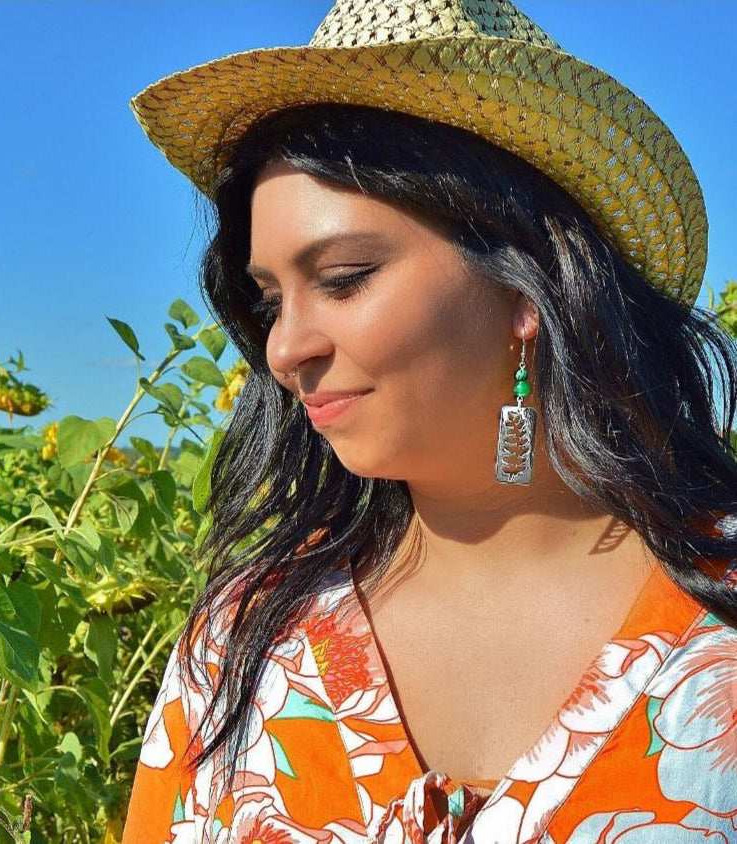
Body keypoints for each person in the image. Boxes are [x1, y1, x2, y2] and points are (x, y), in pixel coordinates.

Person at [122, 1, 737, 842]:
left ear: (528, 285)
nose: (284, 347)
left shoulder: (718, 620)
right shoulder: (241, 639)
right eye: (269, 301)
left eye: (342, 279)